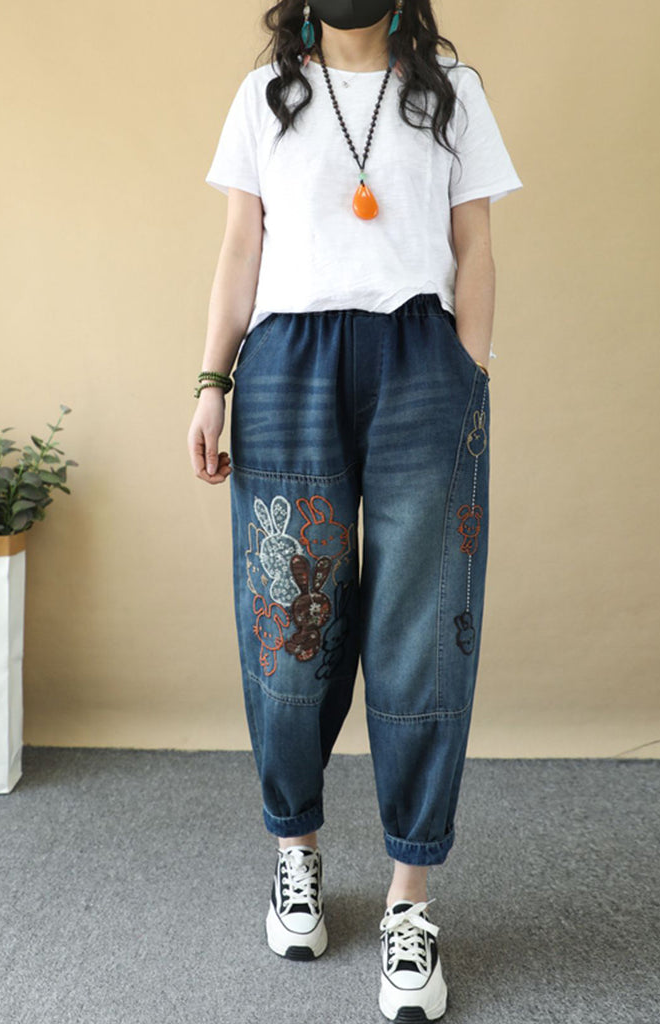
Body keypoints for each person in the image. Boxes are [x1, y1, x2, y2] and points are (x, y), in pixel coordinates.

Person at [187, 1, 523, 1020]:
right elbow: (239, 248)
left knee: (424, 631)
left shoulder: (452, 94)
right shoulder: (264, 97)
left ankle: (409, 901)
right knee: (290, 628)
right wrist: (211, 382)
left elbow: (475, 243)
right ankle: (296, 852)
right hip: (288, 367)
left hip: (422, 364)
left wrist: (469, 371)